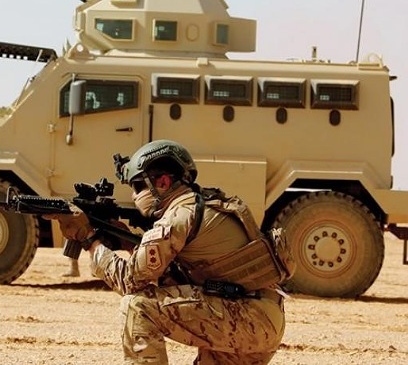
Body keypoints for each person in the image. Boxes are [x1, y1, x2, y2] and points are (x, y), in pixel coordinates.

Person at [46, 139, 289, 364]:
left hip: (244, 319)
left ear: (162, 182)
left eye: (138, 186)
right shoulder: (203, 205)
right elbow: (175, 276)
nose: (134, 196)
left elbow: (129, 281)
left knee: (138, 306)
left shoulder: (179, 216)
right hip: (258, 319)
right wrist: (129, 243)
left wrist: (88, 238)